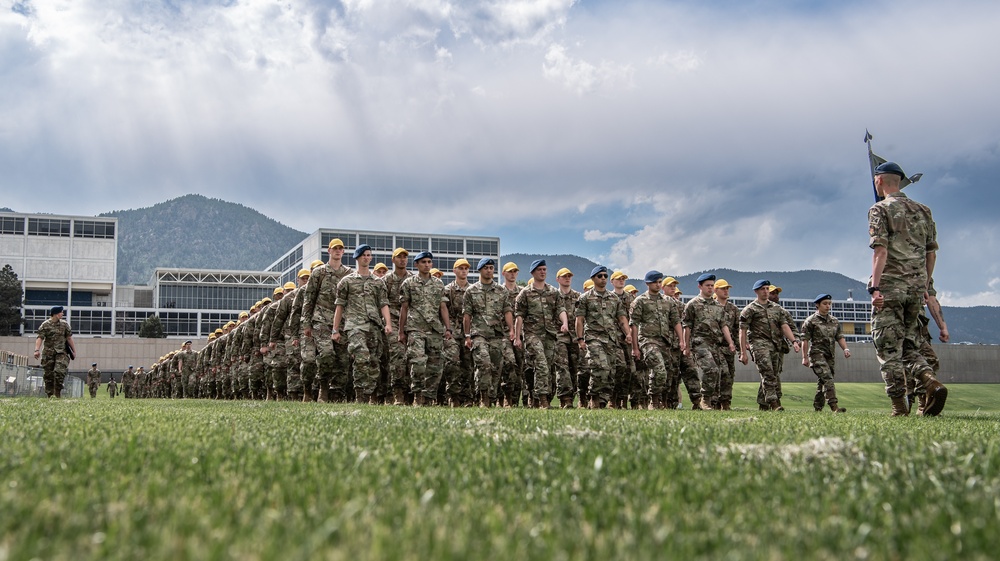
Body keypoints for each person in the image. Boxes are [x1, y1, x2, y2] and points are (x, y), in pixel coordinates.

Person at [869, 161, 947, 416]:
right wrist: (924, 284)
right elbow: (931, 253)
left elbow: (880, 250)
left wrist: (876, 288)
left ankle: (899, 406)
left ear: (879, 181)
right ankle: (929, 380)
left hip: (891, 286)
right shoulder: (924, 210)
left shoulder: (879, 209)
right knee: (910, 344)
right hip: (915, 288)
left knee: (888, 347)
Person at [332, 244, 393, 404]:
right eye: (363, 255)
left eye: (368, 255)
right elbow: (339, 306)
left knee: (373, 360)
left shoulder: (378, 283)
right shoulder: (347, 281)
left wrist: (388, 324)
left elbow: (383, 304)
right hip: (355, 325)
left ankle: (369, 394)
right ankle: (360, 394)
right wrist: (335, 329)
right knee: (361, 356)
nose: (366, 257)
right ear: (357, 258)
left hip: (374, 325)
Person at [302, 238, 354, 402]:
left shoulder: (349, 274)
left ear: (343, 252)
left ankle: (336, 393)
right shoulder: (319, 273)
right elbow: (309, 299)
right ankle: (323, 388)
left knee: (342, 360)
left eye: (341, 248)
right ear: (329, 251)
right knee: (326, 354)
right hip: (321, 320)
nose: (338, 251)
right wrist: (306, 323)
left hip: (343, 323)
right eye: (335, 248)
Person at [399, 251, 453, 406]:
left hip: (434, 329)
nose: (427, 265)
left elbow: (443, 307)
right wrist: (401, 332)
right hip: (415, 328)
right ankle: (417, 395)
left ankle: (429, 398)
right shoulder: (408, 283)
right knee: (417, 363)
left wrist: (448, 328)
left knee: (435, 366)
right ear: (416, 264)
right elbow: (404, 308)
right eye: (423, 262)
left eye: (429, 262)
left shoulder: (438, 284)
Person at [514, 259, 569, 409]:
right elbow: (519, 316)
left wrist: (564, 323)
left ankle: (536, 398)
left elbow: (560, 310)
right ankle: (543, 400)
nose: (543, 272)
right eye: (540, 270)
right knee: (542, 364)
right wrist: (518, 337)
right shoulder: (524, 293)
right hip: (532, 334)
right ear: (533, 272)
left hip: (550, 335)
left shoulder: (553, 292)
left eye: (544, 269)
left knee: (547, 368)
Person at [575, 266, 632, 408]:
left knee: (612, 371)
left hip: (611, 339)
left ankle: (602, 400)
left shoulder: (614, 298)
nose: (603, 279)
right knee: (600, 366)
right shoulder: (585, 298)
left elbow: (622, 319)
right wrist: (580, 339)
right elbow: (580, 320)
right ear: (593, 278)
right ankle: (593, 396)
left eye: (605, 276)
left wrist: (628, 333)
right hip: (593, 338)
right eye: (600, 276)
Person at [463, 258, 516, 407]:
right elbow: (467, 315)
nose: (489, 270)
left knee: (496, 368)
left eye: (491, 268)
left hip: (497, 335)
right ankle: (483, 397)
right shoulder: (471, 291)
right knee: (484, 364)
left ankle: (492, 396)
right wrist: (467, 335)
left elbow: (507, 311)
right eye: (486, 268)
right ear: (480, 270)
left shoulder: (501, 290)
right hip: (478, 333)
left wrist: (511, 329)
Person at [739, 280, 800, 411]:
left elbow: (784, 326)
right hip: (759, 344)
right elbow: (742, 331)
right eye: (763, 289)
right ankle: (774, 402)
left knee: (774, 374)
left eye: (767, 289)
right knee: (768, 373)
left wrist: (794, 341)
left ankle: (763, 404)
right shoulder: (749, 310)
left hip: (775, 345)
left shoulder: (777, 309)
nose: (766, 291)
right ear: (756, 291)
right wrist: (743, 351)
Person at [630, 271, 684, 409]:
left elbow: (676, 322)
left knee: (668, 374)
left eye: (660, 282)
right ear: (648, 283)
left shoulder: (668, 301)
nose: (658, 284)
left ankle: (663, 401)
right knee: (659, 370)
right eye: (655, 282)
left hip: (665, 342)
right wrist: (635, 348)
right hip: (648, 340)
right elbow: (634, 325)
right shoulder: (640, 301)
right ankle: (653, 401)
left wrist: (682, 340)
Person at [683, 274, 735, 411]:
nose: (710, 288)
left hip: (715, 345)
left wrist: (730, 342)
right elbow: (687, 326)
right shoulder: (693, 304)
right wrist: (686, 346)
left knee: (721, 372)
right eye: (707, 285)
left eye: (712, 285)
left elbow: (724, 325)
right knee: (711, 369)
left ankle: (714, 401)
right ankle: (705, 400)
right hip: (699, 344)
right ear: (700, 286)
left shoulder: (717, 306)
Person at [800, 294, 851, 413]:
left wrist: (846, 349)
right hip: (817, 354)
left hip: (830, 355)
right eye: (825, 303)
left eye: (829, 303)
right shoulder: (810, 321)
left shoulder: (834, 321)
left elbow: (840, 337)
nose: (828, 306)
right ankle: (834, 406)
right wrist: (804, 357)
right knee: (827, 378)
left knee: (823, 381)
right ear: (817, 305)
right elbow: (805, 340)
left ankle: (818, 407)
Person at [443, 258, 474, 406]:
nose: (463, 271)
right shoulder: (448, 290)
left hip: (469, 331)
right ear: (454, 270)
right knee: (453, 362)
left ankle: (467, 397)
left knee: (468, 365)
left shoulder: (473, 290)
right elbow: (442, 312)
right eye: (460, 268)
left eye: (466, 268)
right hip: (452, 331)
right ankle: (453, 396)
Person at [384, 248, 413, 405]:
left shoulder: (413, 280)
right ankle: (398, 393)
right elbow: (382, 303)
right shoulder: (387, 280)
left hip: (412, 323)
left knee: (412, 359)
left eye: (405, 257)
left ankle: (410, 394)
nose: (402, 260)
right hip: (393, 322)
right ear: (393, 260)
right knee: (398, 357)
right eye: (399, 257)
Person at [553, 268, 581, 408]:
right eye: (564, 276)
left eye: (569, 276)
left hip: (575, 338)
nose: (567, 278)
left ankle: (574, 395)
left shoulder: (578, 296)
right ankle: (565, 398)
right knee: (562, 367)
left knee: (575, 368)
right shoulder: (553, 295)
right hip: (559, 337)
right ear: (558, 279)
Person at [34, 306, 76, 398]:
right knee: (48, 375)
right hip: (48, 353)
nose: (63, 314)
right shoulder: (45, 325)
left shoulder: (64, 325)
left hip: (62, 352)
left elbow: (69, 338)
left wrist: (74, 351)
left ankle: (57, 392)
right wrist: (37, 350)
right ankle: (50, 395)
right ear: (56, 314)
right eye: (61, 312)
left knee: (59, 372)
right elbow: (40, 337)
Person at [712, 279, 739, 410]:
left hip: (729, 348)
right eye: (723, 288)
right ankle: (715, 401)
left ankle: (726, 402)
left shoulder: (733, 309)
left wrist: (740, 349)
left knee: (729, 376)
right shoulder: (711, 306)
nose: (726, 291)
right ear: (715, 290)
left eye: (727, 288)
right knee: (722, 373)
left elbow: (737, 329)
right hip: (714, 347)